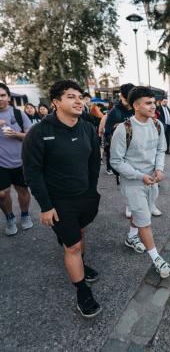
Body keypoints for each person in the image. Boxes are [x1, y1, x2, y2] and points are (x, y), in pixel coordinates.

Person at [22, 80, 102, 318]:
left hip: (84, 197)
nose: (78, 101)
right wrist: (46, 207)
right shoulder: (39, 133)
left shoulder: (87, 128)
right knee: (73, 245)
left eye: (80, 96)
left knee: (80, 234)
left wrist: (92, 192)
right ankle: (82, 292)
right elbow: (32, 173)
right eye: (70, 96)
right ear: (56, 102)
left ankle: (81, 263)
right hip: (58, 201)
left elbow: (94, 163)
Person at [110, 86, 170, 277]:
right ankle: (157, 259)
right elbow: (115, 161)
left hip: (152, 181)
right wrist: (139, 176)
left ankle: (131, 238)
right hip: (133, 182)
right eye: (148, 103)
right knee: (144, 220)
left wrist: (159, 169)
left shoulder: (157, 125)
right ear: (136, 106)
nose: (153, 106)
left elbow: (160, 150)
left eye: (153, 102)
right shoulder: (123, 129)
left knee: (140, 213)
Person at [0, 83, 33, 236]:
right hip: (1, 164)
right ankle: (9, 217)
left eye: (2, 95)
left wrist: (16, 134)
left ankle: (25, 215)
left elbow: (30, 135)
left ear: (8, 97)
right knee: (2, 194)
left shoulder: (19, 114)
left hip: (20, 161)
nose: (0, 99)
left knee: (23, 190)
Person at [104, 84, 135, 175]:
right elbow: (108, 133)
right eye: (126, 100)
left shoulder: (137, 109)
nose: (129, 104)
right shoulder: (114, 112)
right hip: (123, 155)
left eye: (131, 100)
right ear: (121, 96)